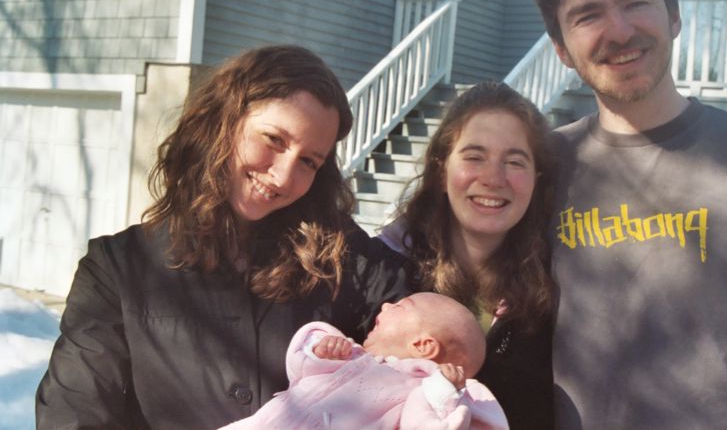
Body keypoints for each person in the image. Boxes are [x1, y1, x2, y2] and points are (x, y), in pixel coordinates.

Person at [35, 45, 409, 429]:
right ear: (222, 123)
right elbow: (74, 413)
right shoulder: (117, 268)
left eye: (308, 161)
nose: (282, 176)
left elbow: (429, 336)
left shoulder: (339, 256)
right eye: (275, 140)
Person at [533, 0, 727, 430]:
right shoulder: (539, 168)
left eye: (636, 2)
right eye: (588, 16)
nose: (620, 31)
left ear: (674, 15)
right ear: (563, 50)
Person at [377, 82, 557, 429]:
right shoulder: (384, 278)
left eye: (514, 162)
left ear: (536, 180)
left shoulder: (559, 289)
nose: (493, 178)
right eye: (474, 157)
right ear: (441, 171)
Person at [220, 292, 510, 430]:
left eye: (399, 306)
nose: (384, 305)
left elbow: (424, 424)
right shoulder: (355, 355)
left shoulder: (415, 388)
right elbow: (300, 373)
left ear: (422, 345)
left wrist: (442, 391)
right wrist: (321, 352)